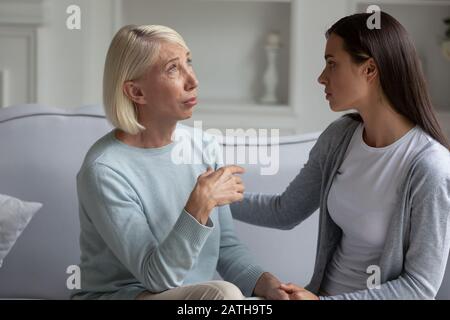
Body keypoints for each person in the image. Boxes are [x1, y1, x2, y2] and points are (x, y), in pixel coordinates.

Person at [231, 12, 450, 300]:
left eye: (332, 64)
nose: (321, 78)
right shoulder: (339, 138)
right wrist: (213, 198)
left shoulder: (430, 167)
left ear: (369, 70)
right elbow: (284, 211)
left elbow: (419, 288)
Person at [72, 24, 287, 300]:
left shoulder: (204, 146)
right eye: (173, 69)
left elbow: (225, 247)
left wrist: (267, 284)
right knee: (224, 295)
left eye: (189, 62)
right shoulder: (104, 170)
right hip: (129, 296)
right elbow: (156, 278)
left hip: (191, 298)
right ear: (136, 92)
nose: (192, 80)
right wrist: (198, 205)